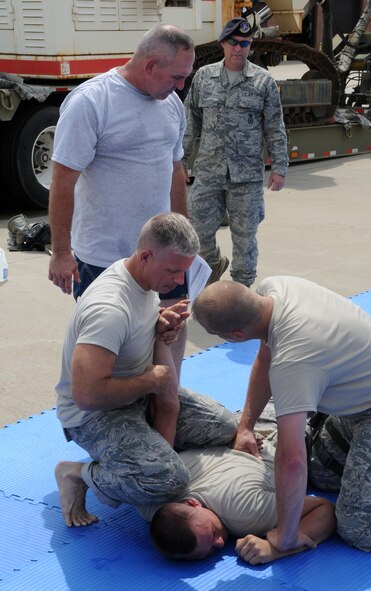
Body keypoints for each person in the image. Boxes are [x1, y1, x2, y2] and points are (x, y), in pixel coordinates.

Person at [54, 214, 237, 528]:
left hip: (137, 394)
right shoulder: (109, 309)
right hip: (97, 414)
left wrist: (159, 323)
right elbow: (86, 395)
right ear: (145, 256)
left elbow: (134, 330)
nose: (179, 281)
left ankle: (140, 452)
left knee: (224, 426)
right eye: (173, 270)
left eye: (184, 271)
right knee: (169, 480)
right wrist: (150, 380)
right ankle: (78, 474)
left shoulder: (143, 278)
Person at [48, 24, 196, 377]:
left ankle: (168, 400)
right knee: (116, 353)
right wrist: (61, 251)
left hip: (164, 252)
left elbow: (176, 171)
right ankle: (119, 421)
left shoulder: (171, 105)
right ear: (150, 65)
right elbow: (62, 182)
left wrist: (187, 241)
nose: (181, 86)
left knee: (174, 330)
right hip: (104, 257)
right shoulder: (92, 102)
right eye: (176, 77)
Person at [191, 277, 371, 553]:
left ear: (236, 336)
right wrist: (245, 428)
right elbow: (265, 359)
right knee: (322, 471)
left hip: (368, 410)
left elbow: (291, 461)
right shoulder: (274, 288)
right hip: (360, 398)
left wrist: (285, 541)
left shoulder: (293, 360)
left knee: (356, 529)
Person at [182, 17, 288, 286]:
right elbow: (189, 119)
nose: (238, 48)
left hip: (247, 176)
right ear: (222, 44)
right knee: (197, 231)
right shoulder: (204, 77)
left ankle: (241, 288)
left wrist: (279, 168)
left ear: (250, 45)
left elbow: (275, 126)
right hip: (208, 172)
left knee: (244, 237)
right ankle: (213, 266)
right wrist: (181, 159)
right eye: (233, 42)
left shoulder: (262, 81)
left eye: (244, 43)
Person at [139, 433, 335, 565]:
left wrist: (277, 548)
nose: (220, 544)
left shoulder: (244, 513)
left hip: (291, 429)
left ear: (193, 503)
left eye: (213, 531)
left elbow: (324, 510)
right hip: (238, 427)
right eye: (209, 552)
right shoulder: (148, 499)